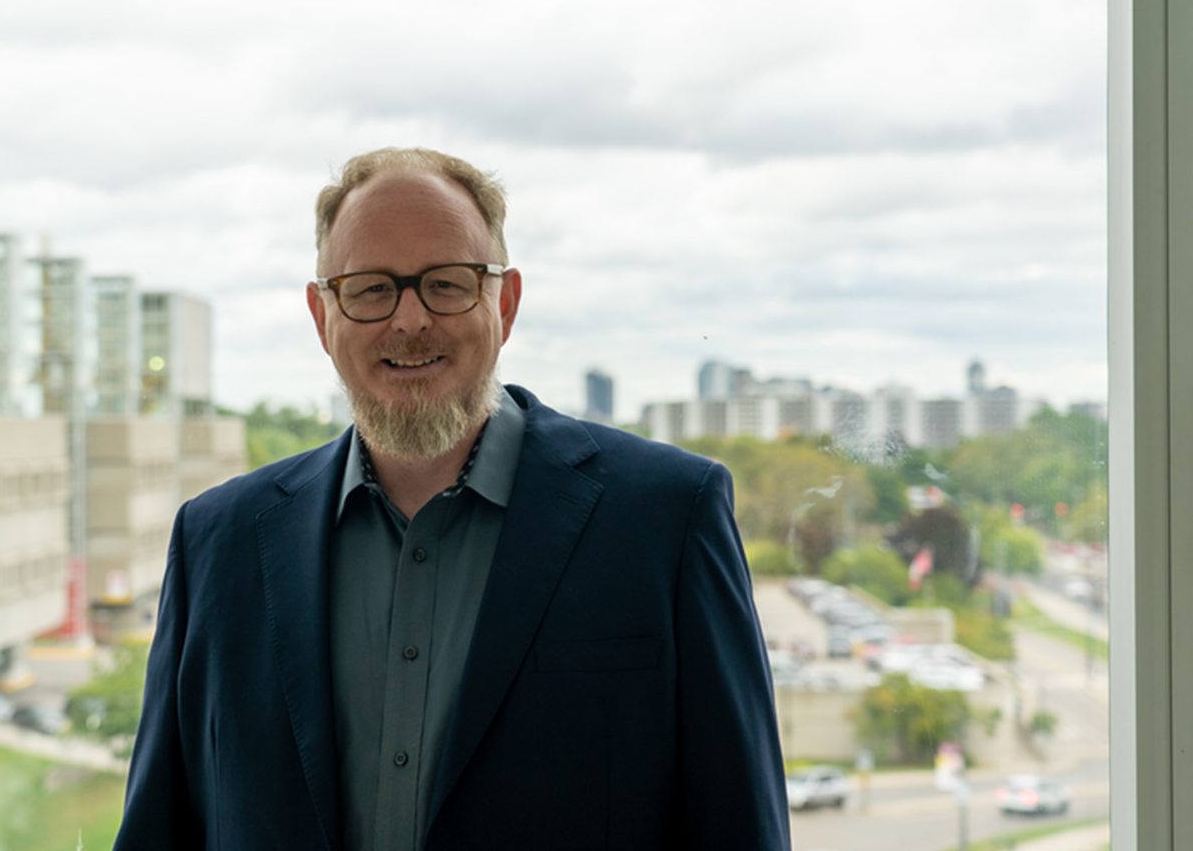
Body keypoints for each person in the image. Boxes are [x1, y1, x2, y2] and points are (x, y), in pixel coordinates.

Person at [114, 147, 790, 851]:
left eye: (447, 283)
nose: (409, 321)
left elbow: (740, 827)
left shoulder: (668, 518)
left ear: (506, 302)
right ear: (322, 317)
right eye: (371, 288)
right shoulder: (216, 544)